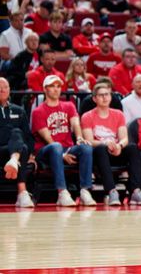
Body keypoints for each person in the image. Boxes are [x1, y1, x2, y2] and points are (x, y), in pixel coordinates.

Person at [31, 75, 96, 207]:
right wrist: (62, 155)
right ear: (45, 89)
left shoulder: (69, 105)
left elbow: (76, 124)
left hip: (67, 148)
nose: (56, 89)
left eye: (58, 86)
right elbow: (47, 138)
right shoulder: (38, 111)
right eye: (52, 86)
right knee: (56, 146)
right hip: (46, 151)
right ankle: (62, 192)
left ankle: (85, 191)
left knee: (86, 147)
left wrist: (79, 138)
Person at [80, 83, 141, 206]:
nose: (105, 98)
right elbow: (89, 140)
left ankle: (135, 191)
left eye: (107, 94)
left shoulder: (118, 114)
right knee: (101, 148)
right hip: (99, 153)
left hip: (116, 150)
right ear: (94, 98)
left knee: (133, 148)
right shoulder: (87, 116)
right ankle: (111, 191)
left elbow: (124, 138)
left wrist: (119, 146)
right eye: (101, 95)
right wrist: (106, 143)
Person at [0, 77, 36, 207]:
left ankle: (22, 193)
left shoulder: (18, 110)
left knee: (20, 138)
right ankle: (22, 193)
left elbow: (28, 136)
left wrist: (32, 155)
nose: (1, 89)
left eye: (5, 87)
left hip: (13, 152)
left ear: (10, 90)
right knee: (19, 141)